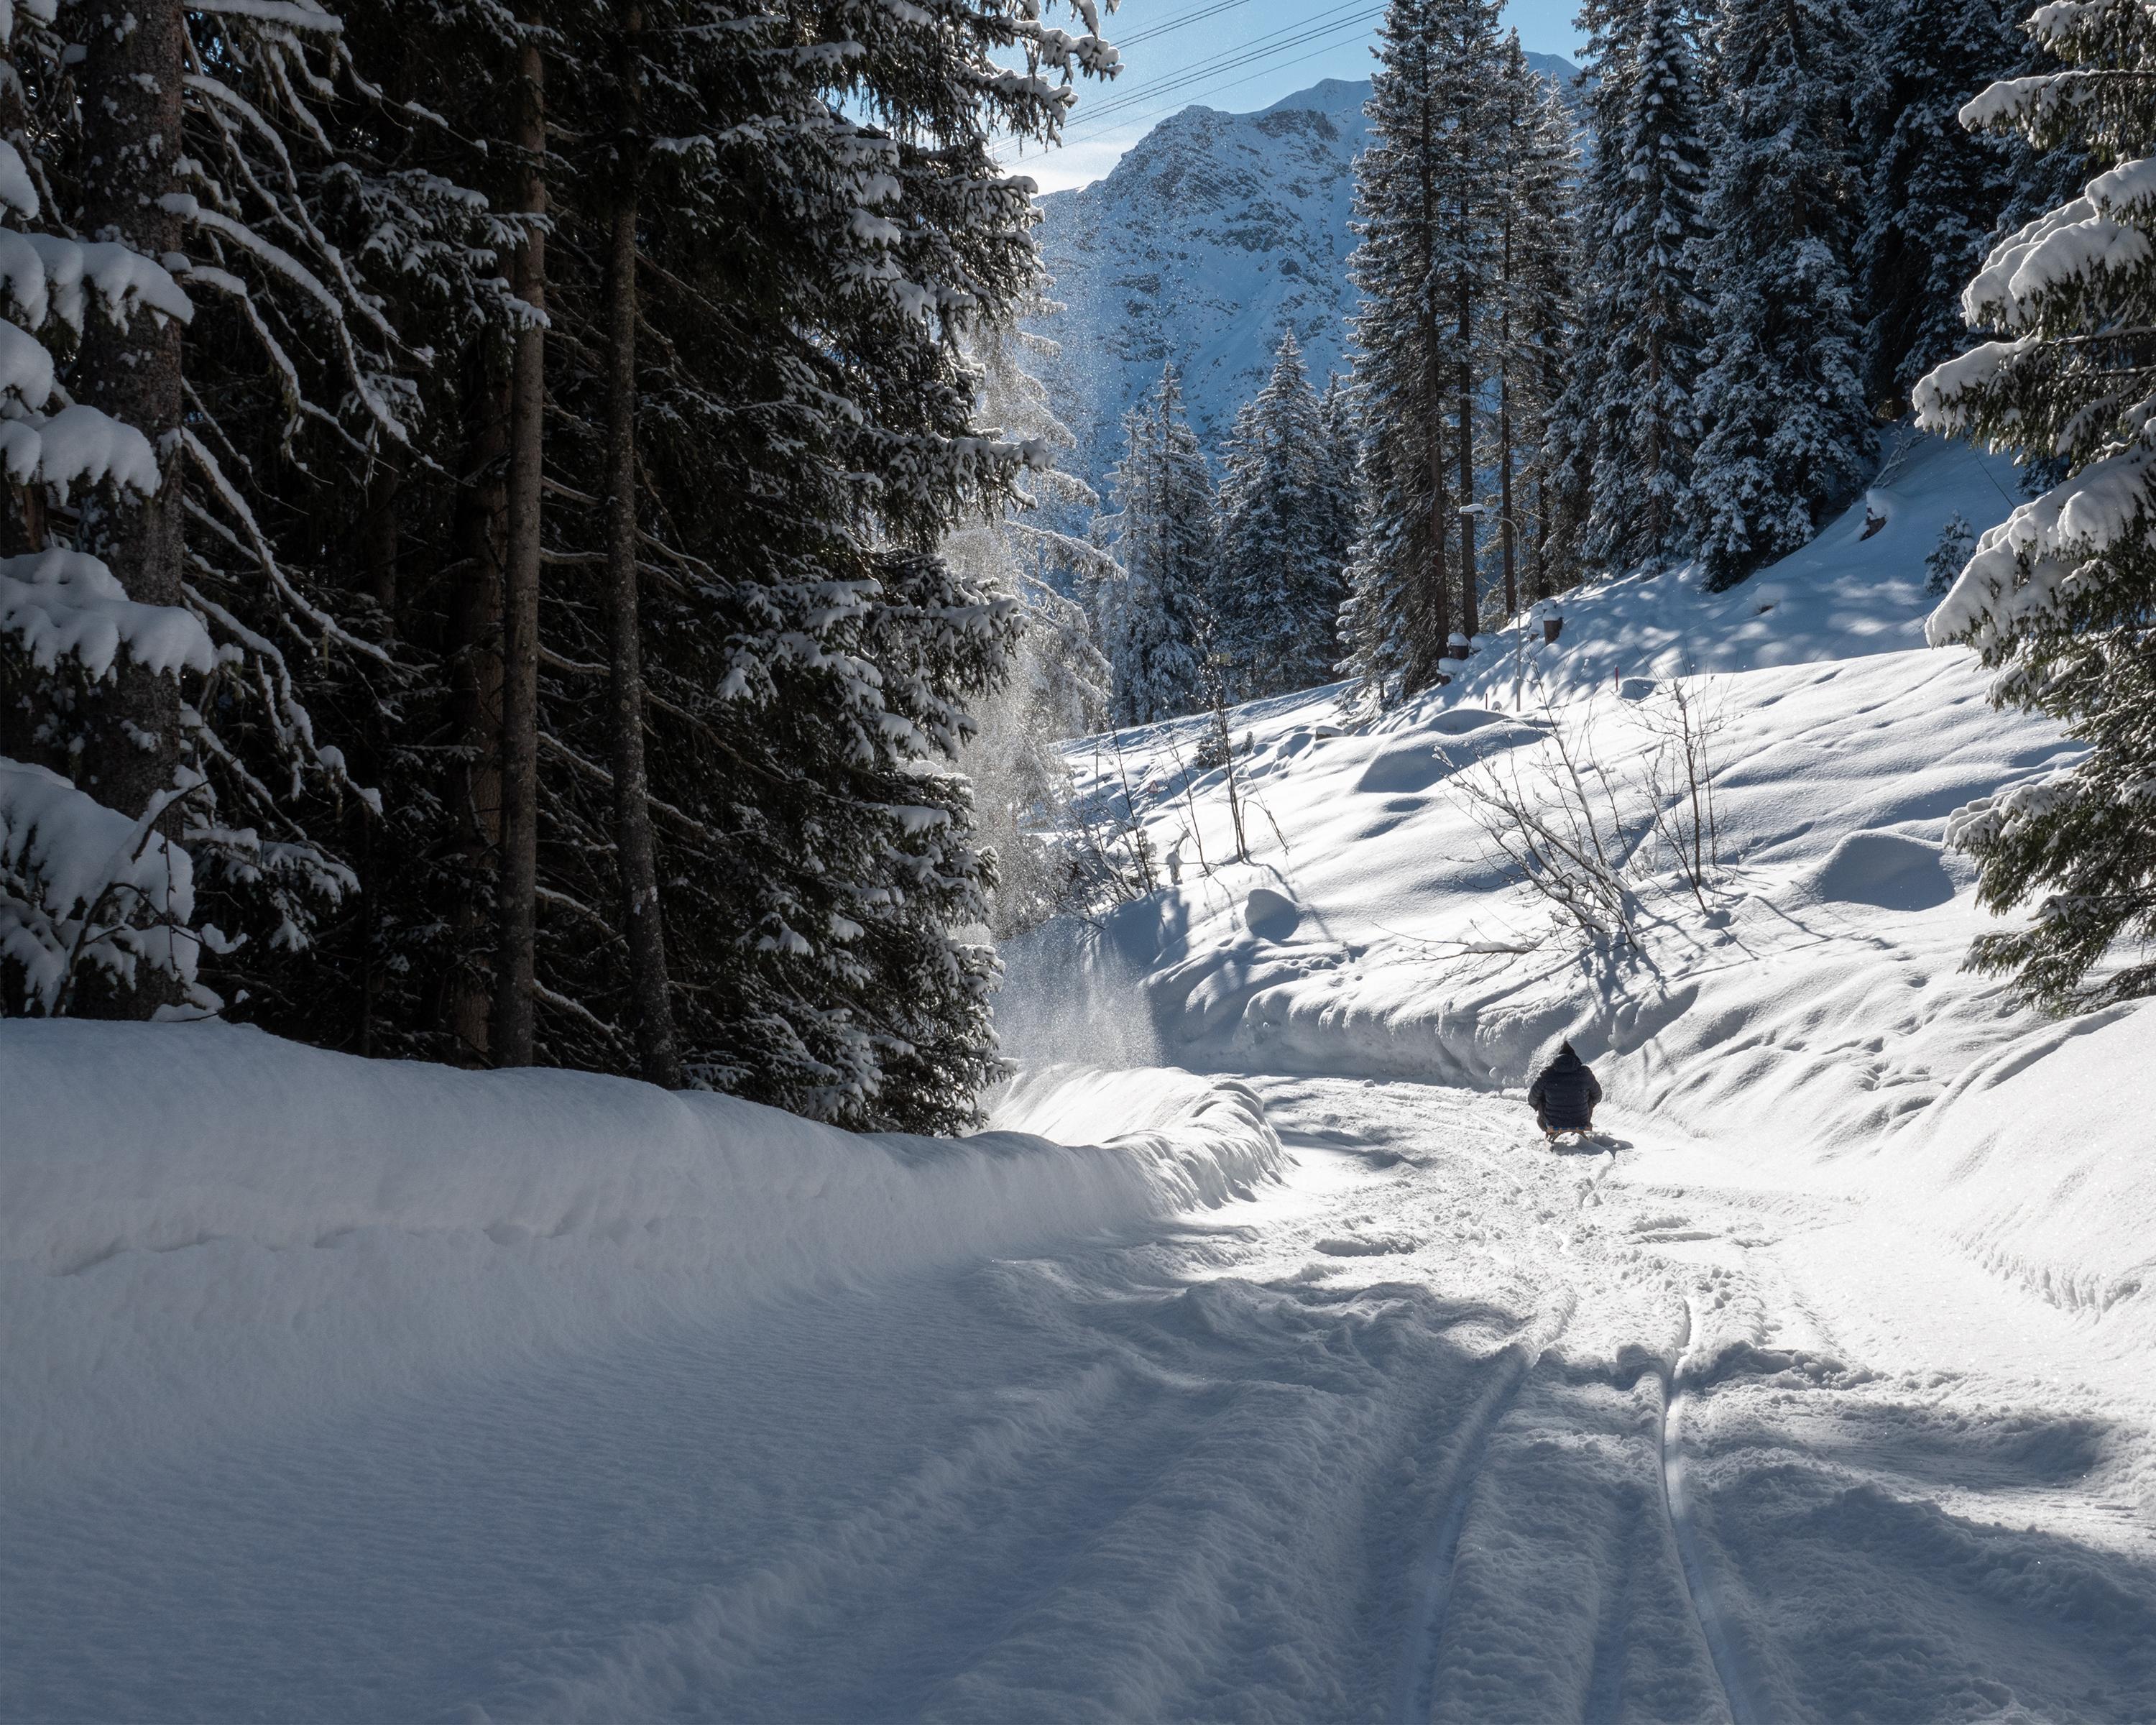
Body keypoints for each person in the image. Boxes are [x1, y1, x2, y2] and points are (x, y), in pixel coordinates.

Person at [1527, 1041, 1601, 1139]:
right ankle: (1581, 1122)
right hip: (1580, 1120)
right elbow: (1598, 1096)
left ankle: (1548, 1129)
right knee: (1591, 1097)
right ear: (1575, 1058)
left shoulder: (1548, 1074)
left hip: (1553, 1121)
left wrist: (1537, 1106)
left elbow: (1532, 1098)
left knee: (1540, 1097)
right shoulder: (1585, 1073)